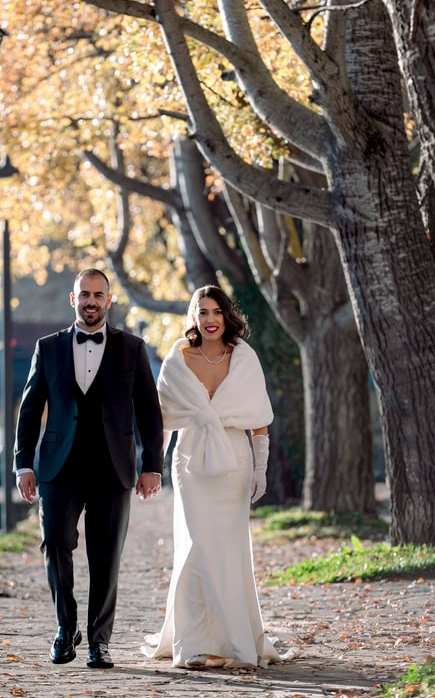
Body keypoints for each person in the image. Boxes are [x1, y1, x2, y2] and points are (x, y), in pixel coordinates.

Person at [14, 268, 164, 670]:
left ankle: (99, 642)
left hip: (113, 470)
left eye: (99, 294)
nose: (91, 301)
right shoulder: (48, 348)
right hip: (58, 469)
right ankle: (66, 629)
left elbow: (149, 410)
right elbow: (30, 411)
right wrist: (22, 464)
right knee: (55, 545)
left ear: (109, 300)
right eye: (85, 294)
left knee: (105, 557)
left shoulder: (133, 348)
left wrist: (153, 465)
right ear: (73, 299)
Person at [143, 284, 294, 670]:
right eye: (202, 312)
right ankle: (191, 643)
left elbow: (259, 421)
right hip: (191, 461)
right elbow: (162, 421)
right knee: (194, 547)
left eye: (216, 312)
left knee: (229, 552)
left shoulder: (244, 359)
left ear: (227, 315)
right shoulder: (177, 359)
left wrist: (260, 469)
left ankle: (234, 638)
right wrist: (152, 467)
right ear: (193, 317)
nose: (209, 320)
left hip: (234, 463)